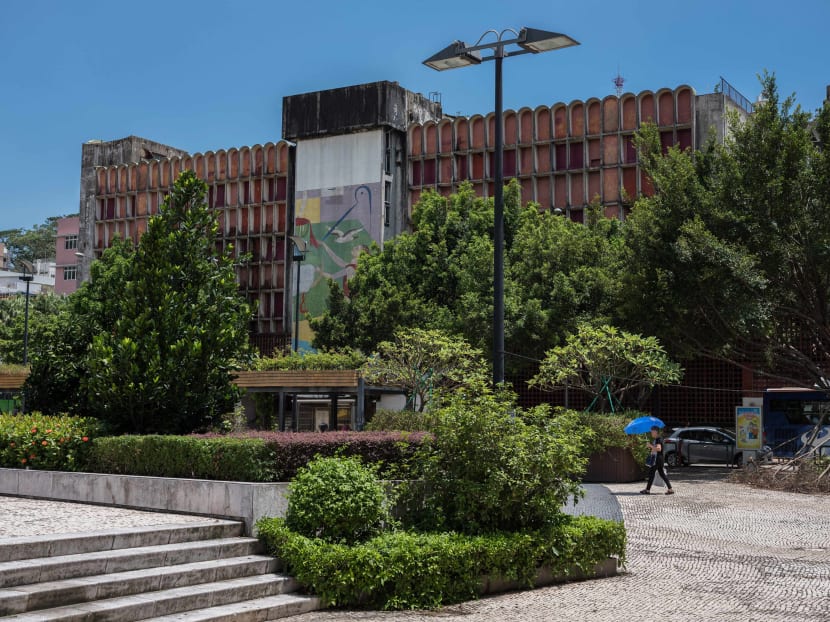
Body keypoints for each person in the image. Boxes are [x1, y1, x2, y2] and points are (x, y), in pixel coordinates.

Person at [641, 425, 675, 495]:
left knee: (651, 474)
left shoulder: (658, 439)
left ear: (655, 431)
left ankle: (647, 490)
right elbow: (656, 449)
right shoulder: (658, 439)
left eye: (652, 432)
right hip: (659, 459)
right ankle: (670, 489)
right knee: (662, 474)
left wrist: (650, 446)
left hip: (657, 459)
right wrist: (651, 448)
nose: (651, 433)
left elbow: (659, 449)